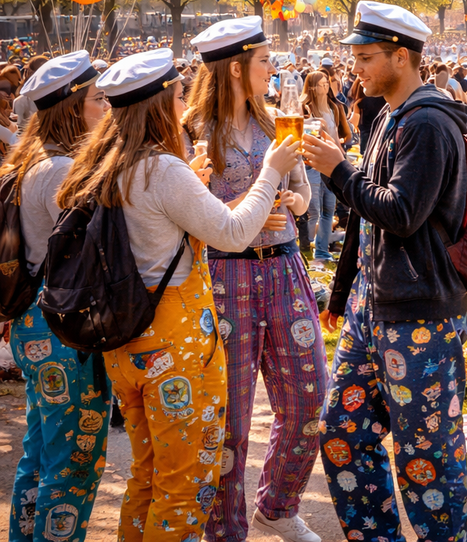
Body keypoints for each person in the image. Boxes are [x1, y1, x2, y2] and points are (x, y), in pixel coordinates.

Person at [59, 47, 303, 542]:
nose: (183, 103)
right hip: (176, 343)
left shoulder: (106, 164)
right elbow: (233, 233)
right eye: (176, 95)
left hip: (127, 341)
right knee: (184, 485)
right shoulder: (162, 169)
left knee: (147, 479)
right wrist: (272, 169)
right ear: (158, 105)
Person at [302, 2, 467, 542]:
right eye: (354, 57)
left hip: (418, 312)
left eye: (367, 57)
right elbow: (363, 219)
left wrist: (336, 169)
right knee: (342, 434)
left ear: (404, 56)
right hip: (371, 306)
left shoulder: (426, 122)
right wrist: (343, 290)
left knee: (426, 454)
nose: (356, 68)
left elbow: (401, 213)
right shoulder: (389, 116)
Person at [184, 18, 326, 542]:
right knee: (232, 417)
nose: (274, 67)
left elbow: (304, 196)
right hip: (225, 275)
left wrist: (293, 199)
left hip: (285, 267)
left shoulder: (278, 124)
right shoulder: (193, 129)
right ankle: (225, 528)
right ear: (237, 68)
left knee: (311, 396)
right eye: (265, 59)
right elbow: (190, 213)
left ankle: (278, 505)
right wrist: (246, 202)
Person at [4, 51, 112, 542]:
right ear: (72, 108)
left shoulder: (33, 159)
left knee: (42, 450)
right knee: (74, 458)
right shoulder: (63, 168)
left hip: (35, 322)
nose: (106, 106)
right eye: (96, 99)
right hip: (64, 325)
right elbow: (102, 244)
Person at [301, 69, 352, 262]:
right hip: (311, 163)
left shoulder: (333, 107)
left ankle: (321, 251)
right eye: (321, 84)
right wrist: (312, 123)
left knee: (329, 208)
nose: (325, 87)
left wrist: (342, 159)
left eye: (326, 83)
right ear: (312, 87)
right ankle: (309, 245)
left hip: (330, 164)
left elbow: (338, 138)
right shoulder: (305, 108)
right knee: (314, 209)